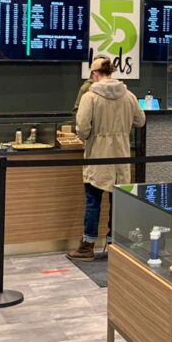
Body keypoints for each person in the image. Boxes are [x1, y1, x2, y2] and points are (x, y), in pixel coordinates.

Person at [67, 56, 146, 261]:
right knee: (117, 202)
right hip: (122, 156)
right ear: (111, 72)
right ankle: (115, 244)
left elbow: (82, 129)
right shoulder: (128, 95)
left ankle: (87, 246)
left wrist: (90, 135)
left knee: (93, 201)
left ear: (94, 74)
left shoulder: (90, 97)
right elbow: (140, 120)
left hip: (98, 155)